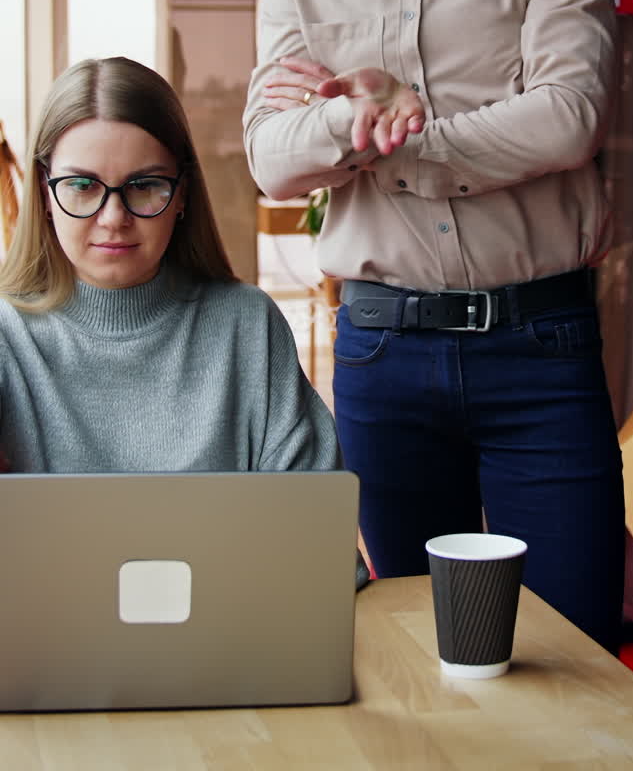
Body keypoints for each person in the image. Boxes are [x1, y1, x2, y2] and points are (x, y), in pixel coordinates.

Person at [243, 0, 625, 653]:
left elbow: (569, 119)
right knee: (411, 655)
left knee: (576, 651)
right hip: (382, 353)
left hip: (541, 345)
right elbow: (270, 157)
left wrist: (397, 141)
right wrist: (349, 116)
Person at [0, 57, 366, 558]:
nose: (113, 218)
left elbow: (320, 548)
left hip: (233, 634)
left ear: (182, 195)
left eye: (144, 185)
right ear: (44, 193)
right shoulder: (6, 335)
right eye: (82, 186)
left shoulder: (247, 326)